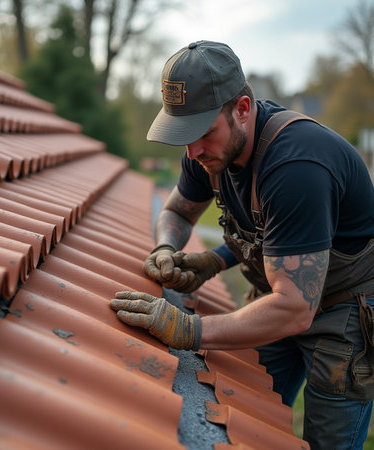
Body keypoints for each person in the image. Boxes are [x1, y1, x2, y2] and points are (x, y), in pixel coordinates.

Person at [109, 41, 374, 449]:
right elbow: (179, 214)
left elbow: (295, 308)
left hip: (340, 309)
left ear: (243, 109)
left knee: (329, 442)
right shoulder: (206, 151)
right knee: (245, 418)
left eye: (201, 133)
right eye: (183, 136)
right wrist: (176, 252)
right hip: (279, 294)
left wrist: (187, 328)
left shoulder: (296, 167)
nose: (192, 151)